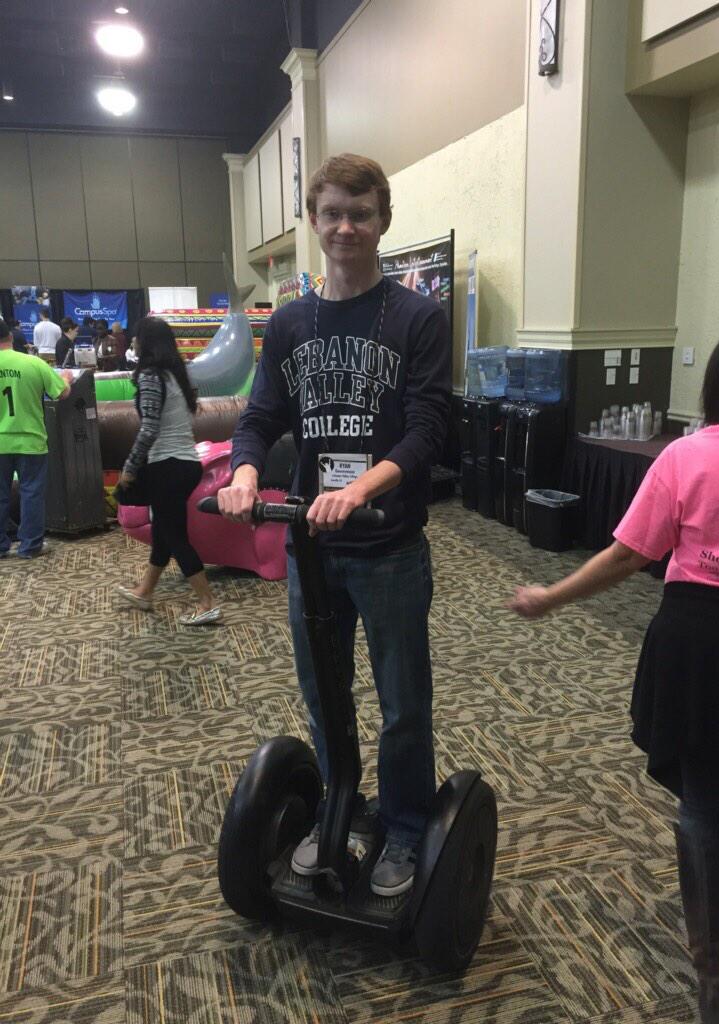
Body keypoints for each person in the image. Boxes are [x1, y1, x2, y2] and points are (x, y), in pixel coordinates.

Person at [509, 321, 719, 1024]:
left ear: (715, 386)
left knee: (707, 805)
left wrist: (550, 596)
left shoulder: (686, 455)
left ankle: (714, 980)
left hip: (698, 646)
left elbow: (628, 555)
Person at [217, 153, 451, 897]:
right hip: (311, 548)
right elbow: (259, 418)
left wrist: (365, 487)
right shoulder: (289, 322)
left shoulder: (418, 316)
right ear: (313, 222)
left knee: (403, 703)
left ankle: (407, 826)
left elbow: (427, 427)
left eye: (361, 212)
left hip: (387, 546)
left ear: (383, 219)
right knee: (324, 694)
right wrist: (245, 473)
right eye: (332, 213)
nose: (346, 226)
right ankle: (340, 809)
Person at [116, 316, 221, 626]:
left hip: (167, 465)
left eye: (136, 337)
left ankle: (207, 602)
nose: (133, 341)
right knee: (164, 530)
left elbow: (149, 428)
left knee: (175, 535)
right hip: (186, 463)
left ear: (145, 342)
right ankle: (145, 591)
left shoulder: (151, 376)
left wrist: (130, 467)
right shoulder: (176, 375)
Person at [0, 318, 71, 558]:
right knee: (31, 493)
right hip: (31, 441)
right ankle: (29, 546)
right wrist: (67, 379)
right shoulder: (33, 363)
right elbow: (62, 393)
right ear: (10, 336)